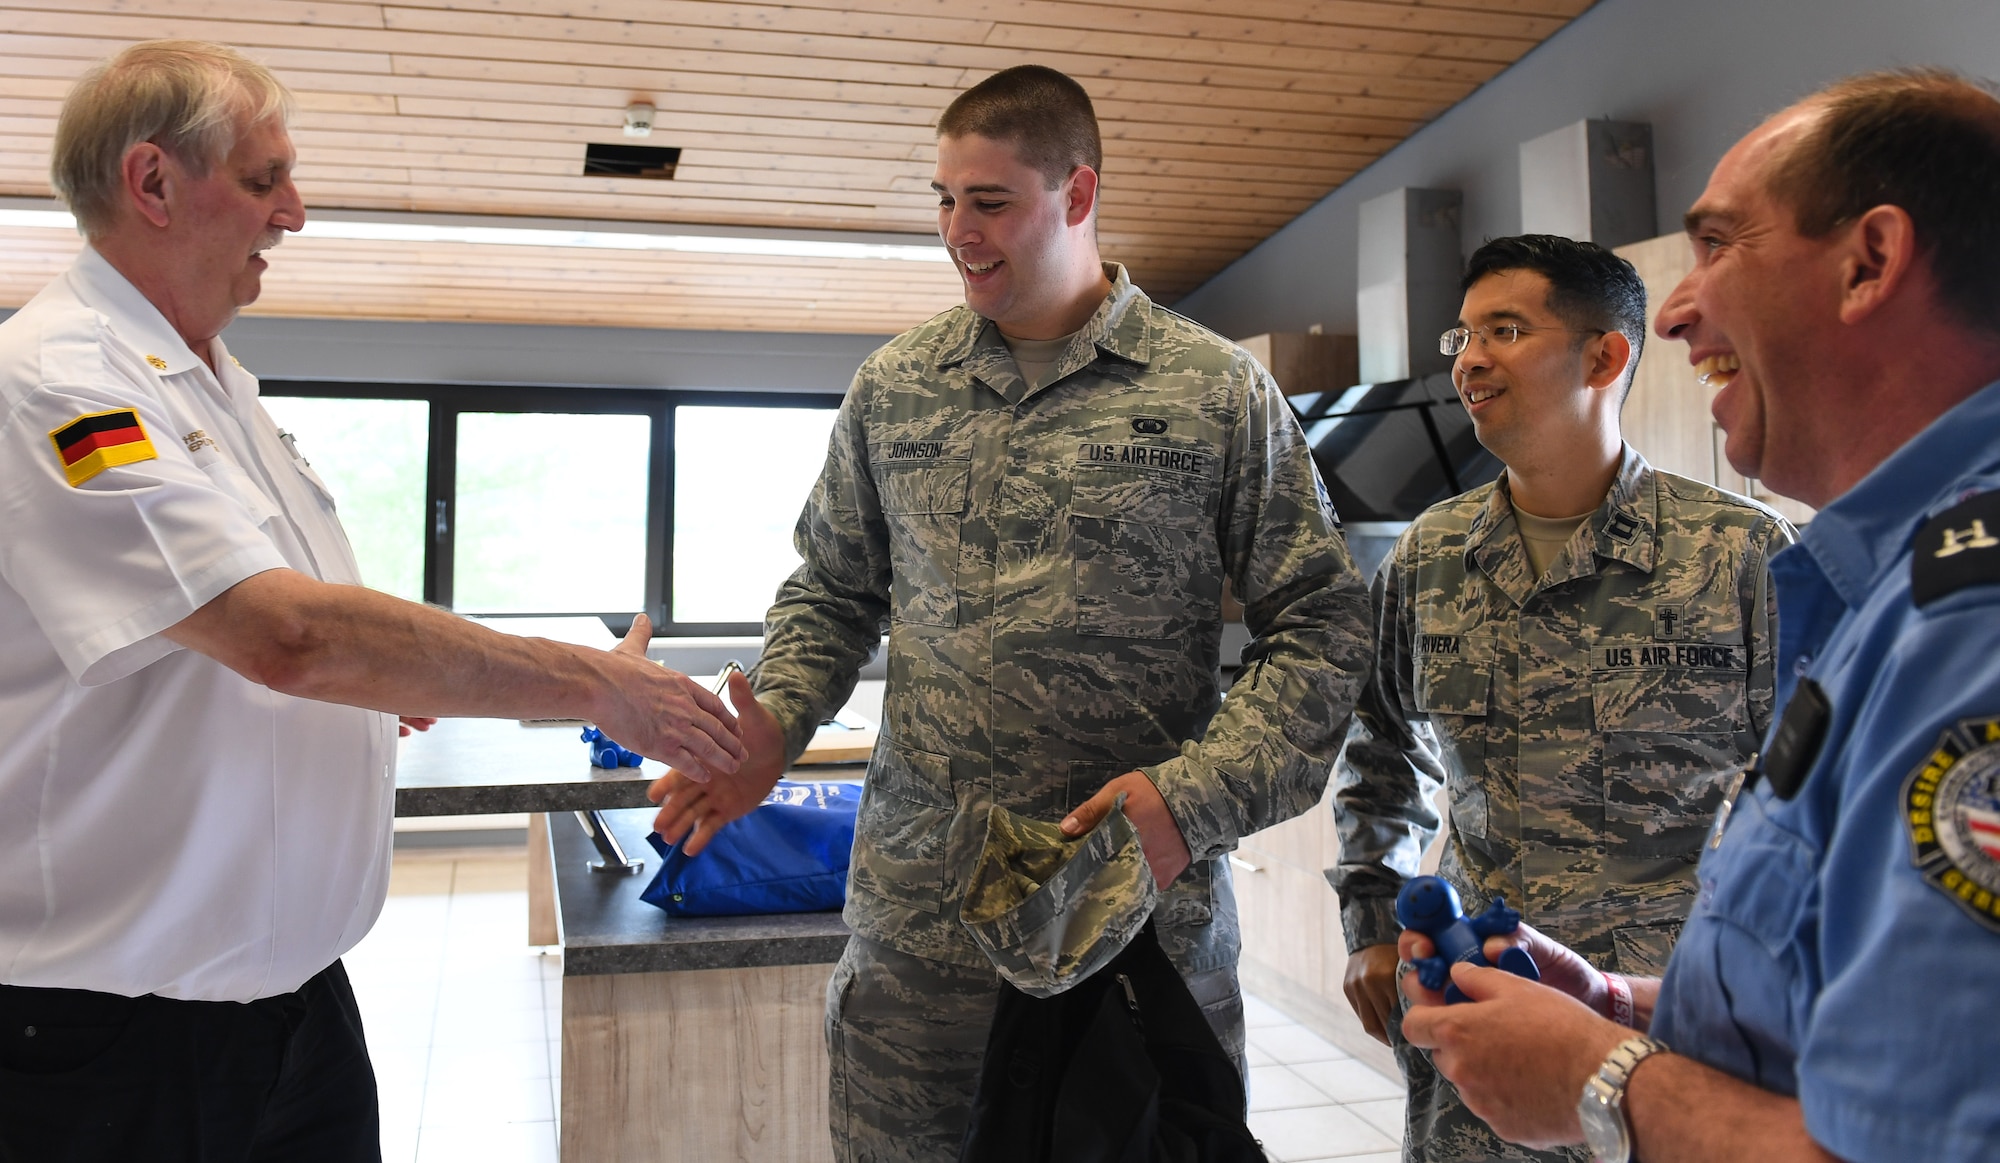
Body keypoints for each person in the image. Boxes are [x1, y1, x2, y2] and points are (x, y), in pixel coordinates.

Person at [0, 40, 744, 1161]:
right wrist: (594, 681)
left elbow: (255, 624)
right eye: (262, 180)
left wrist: (367, 686)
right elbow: (284, 633)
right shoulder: (61, 380)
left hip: (295, 1004)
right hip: (117, 1035)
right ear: (150, 183)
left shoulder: (217, 386)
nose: (294, 212)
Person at [647, 64, 1372, 1161]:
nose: (956, 231)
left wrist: (1195, 799)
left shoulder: (1212, 390)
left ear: (1076, 195)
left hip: (1129, 917)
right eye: (942, 200)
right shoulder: (894, 388)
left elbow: (1319, 619)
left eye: (988, 201)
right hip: (919, 935)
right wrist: (776, 718)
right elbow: (832, 589)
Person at [1394, 69, 2000, 1163]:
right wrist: (1627, 1003)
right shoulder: (1878, 582)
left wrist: (1600, 1082)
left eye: (1719, 246)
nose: (1675, 305)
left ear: (1868, 261)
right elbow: (1842, 986)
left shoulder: (1965, 624)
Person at [1330, 234, 1793, 1162]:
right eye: (1461, 336)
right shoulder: (1430, 555)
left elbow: (1811, 795)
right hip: (1473, 1002)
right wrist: (1374, 923)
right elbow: (1381, 752)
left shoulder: (1740, 553)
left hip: (1668, 1018)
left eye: (1504, 329)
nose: (1470, 359)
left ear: (1604, 355)